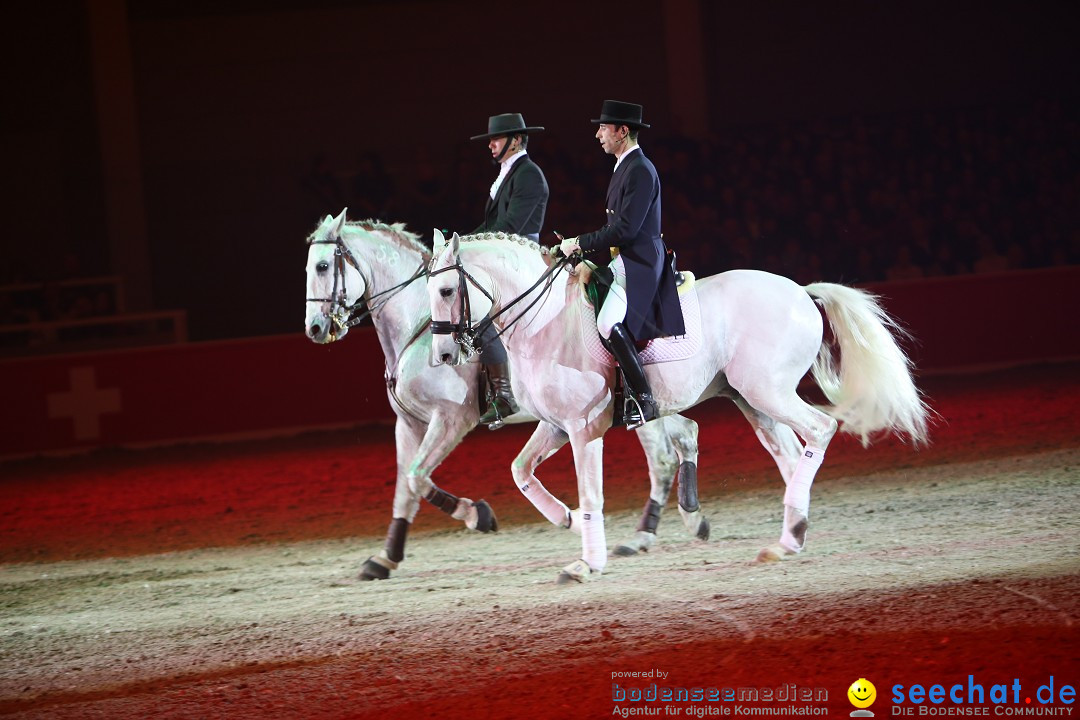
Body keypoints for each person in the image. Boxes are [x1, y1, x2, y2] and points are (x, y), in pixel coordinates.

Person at [559, 100, 684, 427]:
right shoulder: (623, 166)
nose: (598, 134)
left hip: (641, 260)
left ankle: (643, 397)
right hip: (624, 258)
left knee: (606, 321)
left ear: (622, 131)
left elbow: (626, 229)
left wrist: (580, 242)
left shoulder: (640, 169)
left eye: (603, 128)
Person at [469, 113, 550, 427]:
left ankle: (504, 393)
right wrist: (458, 242)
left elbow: (510, 226)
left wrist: (471, 245)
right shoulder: (508, 173)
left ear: (516, 140)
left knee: (479, 310)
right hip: (502, 251)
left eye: (496, 139)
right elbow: (491, 225)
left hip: (518, 254)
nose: (490, 145)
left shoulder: (528, 174)